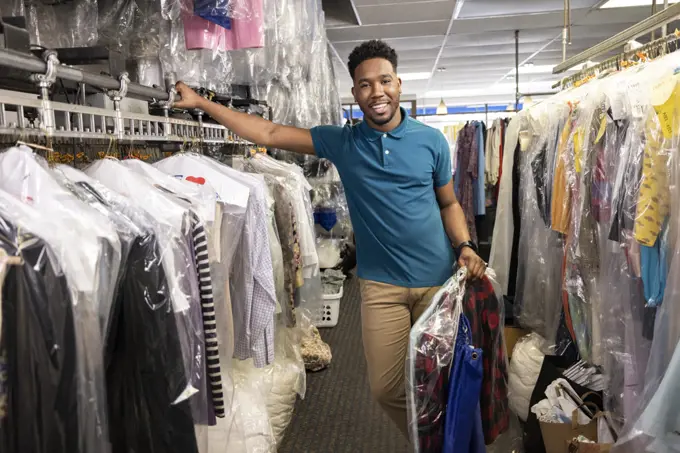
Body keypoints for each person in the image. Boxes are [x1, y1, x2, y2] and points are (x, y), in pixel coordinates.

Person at [173, 39, 487, 438]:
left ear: (399, 84)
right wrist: (203, 104)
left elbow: (449, 204)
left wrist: (465, 245)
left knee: (449, 375)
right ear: (355, 93)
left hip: (438, 283)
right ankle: (435, 439)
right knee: (386, 388)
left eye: (384, 81)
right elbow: (269, 131)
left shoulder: (431, 142)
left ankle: (446, 441)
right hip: (381, 287)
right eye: (365, 84)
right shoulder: (344, 142)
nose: (377, 92)